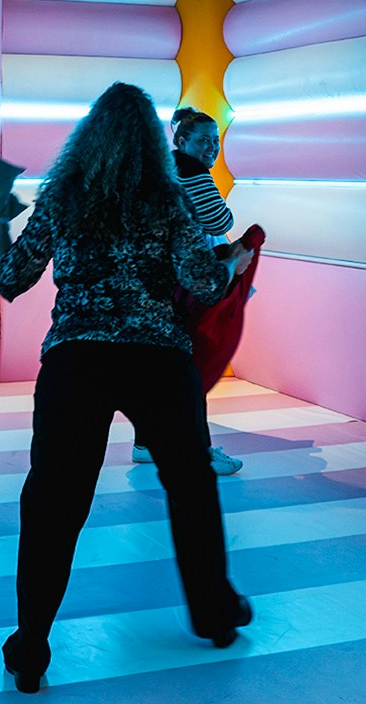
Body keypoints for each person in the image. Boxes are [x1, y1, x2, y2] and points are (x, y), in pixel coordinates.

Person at [0, 82, 254, 693]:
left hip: (76, 361)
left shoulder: (63, 196)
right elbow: (204, 282)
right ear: (154, 143)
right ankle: (215, 616)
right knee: (190, 487)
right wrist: (233, 265)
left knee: (54, 503)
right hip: (158, 361)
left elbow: (11, 280)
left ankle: (30, 646)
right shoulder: (169, 200)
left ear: (90, 136)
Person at [131, 106, 245, 474]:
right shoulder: (190, 171)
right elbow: (220, 219)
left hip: (158, 282)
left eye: (216, 141)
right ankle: (199, 450)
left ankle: (146, 441)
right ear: (182, 141)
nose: (212, 148)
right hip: (185, 282)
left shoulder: (160, 169)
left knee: (158, 367)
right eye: (204, 141)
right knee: (191, 368)